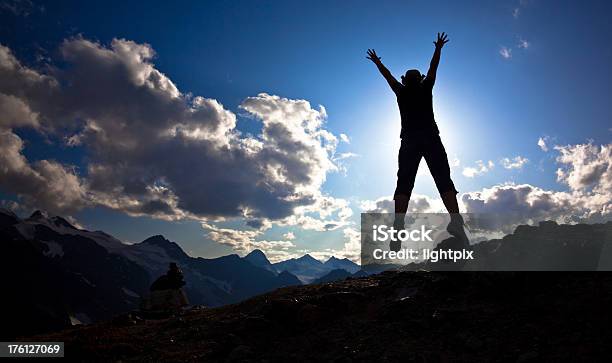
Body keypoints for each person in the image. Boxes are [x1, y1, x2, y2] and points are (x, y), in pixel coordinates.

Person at [366, 32, 466, 251]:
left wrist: (377, 62)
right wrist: (438, 48)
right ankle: (456, 221)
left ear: (404, 80)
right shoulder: (425, 88)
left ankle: (398, 225)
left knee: (404, 183)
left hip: (410, 141)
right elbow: (433, 68)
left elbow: (388, 76)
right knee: (443, 180)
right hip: (431, 138)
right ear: (419, 79)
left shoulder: (401, 92)